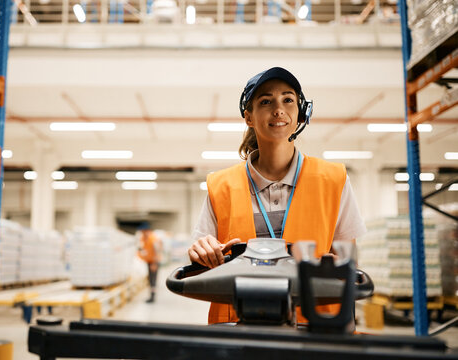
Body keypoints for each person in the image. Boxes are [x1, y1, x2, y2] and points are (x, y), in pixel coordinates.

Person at [189, 67, 366, 325]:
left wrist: (337, 264)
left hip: (315, 331)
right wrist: (201, 251)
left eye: (288, 100)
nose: (278, 109)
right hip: (239, 330)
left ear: (301, 113)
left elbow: (348, 260)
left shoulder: (333, 179)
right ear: (248, 117)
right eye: (265, 101)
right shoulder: (221, 185)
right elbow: (200, 255)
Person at [137, 224, 162, 303]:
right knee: (150, 280)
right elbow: (143, 247)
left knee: (153, 280)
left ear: (147, 231)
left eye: (143, 232)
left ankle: (152, 297)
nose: (142, 233)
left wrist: (154, 263)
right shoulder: (144, 238)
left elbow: (157, 251)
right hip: (149, 262)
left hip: (154, 262)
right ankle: (151, 296)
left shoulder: (153, 238)